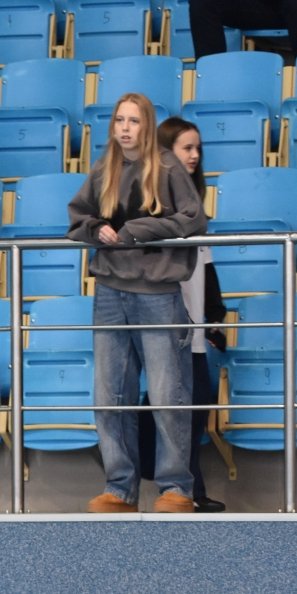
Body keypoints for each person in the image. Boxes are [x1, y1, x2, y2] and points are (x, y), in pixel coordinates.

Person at [67, 94, 207, 515]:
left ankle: (176, 488)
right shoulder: (104, 167)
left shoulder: (168, 166)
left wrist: (137, 230)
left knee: (167, 394)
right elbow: (77, 217)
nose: (125, 128)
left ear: (146, 126)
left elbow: (194, 218)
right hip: (110, 291)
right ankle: (120, 489)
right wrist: (96, 228)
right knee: (110, 395)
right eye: (119, 121)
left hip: (158, 293)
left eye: (133, 121)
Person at [140, 118, 227, 513]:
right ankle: (185, 491)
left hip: (194, 327)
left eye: (197, 149)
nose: (194, 156)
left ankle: (187, 489)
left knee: (192, 412)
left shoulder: (194, 205)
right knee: (178, 410)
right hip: (168, 323)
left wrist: (213, 320)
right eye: (185, 148)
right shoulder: (156, 205)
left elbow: (206, 269)